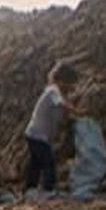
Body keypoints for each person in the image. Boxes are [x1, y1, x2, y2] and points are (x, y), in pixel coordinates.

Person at [24, 62, 80, 192]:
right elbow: (62, 105)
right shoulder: (53, 90)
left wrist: (71, 119)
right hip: (37, 136)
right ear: (62, 81)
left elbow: (61, 115)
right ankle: (48, 191)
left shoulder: (57, 93)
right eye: (70, 83)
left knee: (36, 164)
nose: (72, 87)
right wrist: (78, 111)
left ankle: (29, 190)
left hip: (34, 134)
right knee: (49, 165)